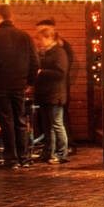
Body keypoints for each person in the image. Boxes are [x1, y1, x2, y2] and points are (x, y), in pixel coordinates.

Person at [0, 5, 38, 168]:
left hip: (0, 86)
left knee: (6, 122)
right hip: (19, 85)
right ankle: (24, 157)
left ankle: (11, 158)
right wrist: (29, 82)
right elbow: (35, 61)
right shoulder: (25, 37)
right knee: (20, 120)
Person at [36, 19, 75, 157]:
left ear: (48, 38)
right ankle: (50, 153)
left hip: (55, 94)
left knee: (57, 125)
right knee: (49, 126)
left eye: (40, 39)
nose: (38, 42)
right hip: (48, 94)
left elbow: (61, 72)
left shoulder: (58, 52)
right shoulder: (48, 52)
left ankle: (61, 153)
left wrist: (41, 72)